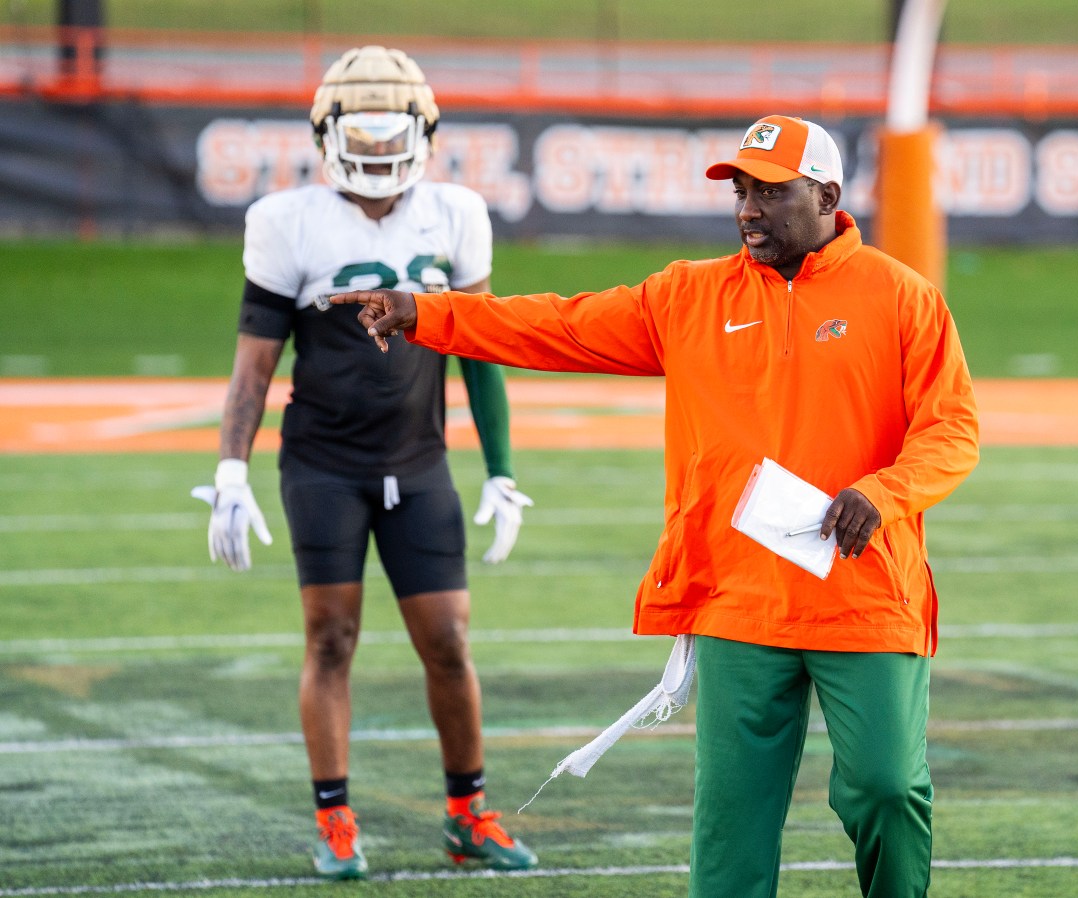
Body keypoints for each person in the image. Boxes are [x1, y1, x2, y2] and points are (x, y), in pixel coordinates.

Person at [333, 114, 980, 897]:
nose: (748, 209)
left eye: (771, 192)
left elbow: (951, 434)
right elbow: (560, 325)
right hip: (738, 598)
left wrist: (882, 493)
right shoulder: (689, 295)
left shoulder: (903, 298)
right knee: (730, 822)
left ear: (828, 195)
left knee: (885, 788)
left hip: (865, 593)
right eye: (741, 190)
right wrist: (427, 315)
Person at [192, 46, 537, 879]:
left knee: (450, 640)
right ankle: (336, 821)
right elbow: (255, 362)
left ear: (423, 134)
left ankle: (468, 814)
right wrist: (231, 469)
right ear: (327, 134)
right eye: (365, 139)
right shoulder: (286, 220)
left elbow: (481, 351)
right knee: (331, 638)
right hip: (323, 463)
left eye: (394, 140)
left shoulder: (456, 213)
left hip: (419, 460)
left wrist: (500, 467)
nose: (381, 156)